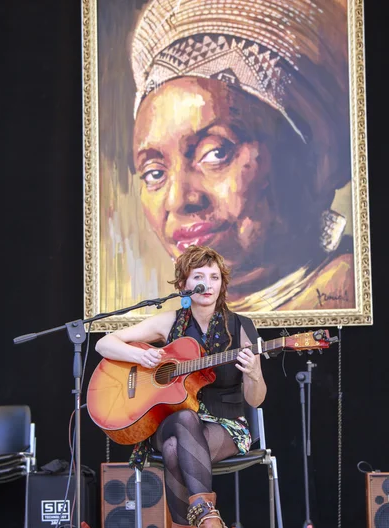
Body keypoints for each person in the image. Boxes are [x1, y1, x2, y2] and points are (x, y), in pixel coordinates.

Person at [126, 0, 355, 312]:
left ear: (312, 155)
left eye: (216, 153)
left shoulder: (347, 295)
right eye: (154, 173)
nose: (178, 199)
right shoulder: (186, 324)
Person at [95, 244, 267, 528]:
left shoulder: (242, 327)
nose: (208, 283)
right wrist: (139, 357)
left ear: (222, 283)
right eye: (199, 276)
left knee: (175, 448)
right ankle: (207, 517)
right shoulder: (169, 322)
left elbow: (256, 400)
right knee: (183, 420)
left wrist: (254, 373)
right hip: (172, 420)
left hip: (227, 425)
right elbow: (105, 343)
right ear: (184, 285)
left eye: (214, 277)